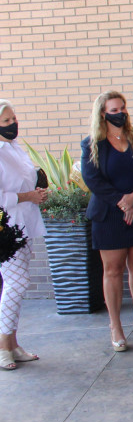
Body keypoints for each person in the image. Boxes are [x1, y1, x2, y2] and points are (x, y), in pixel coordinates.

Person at [80, 91, 133, 352]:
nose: (121, 113)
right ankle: (115, 326)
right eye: (114, 109)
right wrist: (122, 202)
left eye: (123, 108)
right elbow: (93, 180)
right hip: (109, 214)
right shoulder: (92, 143)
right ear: (103, 113)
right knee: (112, 270)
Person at [0, 101, 46, 370]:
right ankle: (4, 345)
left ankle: (13, 343)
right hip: (6, 229)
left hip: (24, 224)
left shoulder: (14, 148)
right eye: (6, 121)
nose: (12, 124)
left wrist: (37, 192)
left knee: (15, 285)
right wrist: (28, 196)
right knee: (16, 284)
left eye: (13, 119)